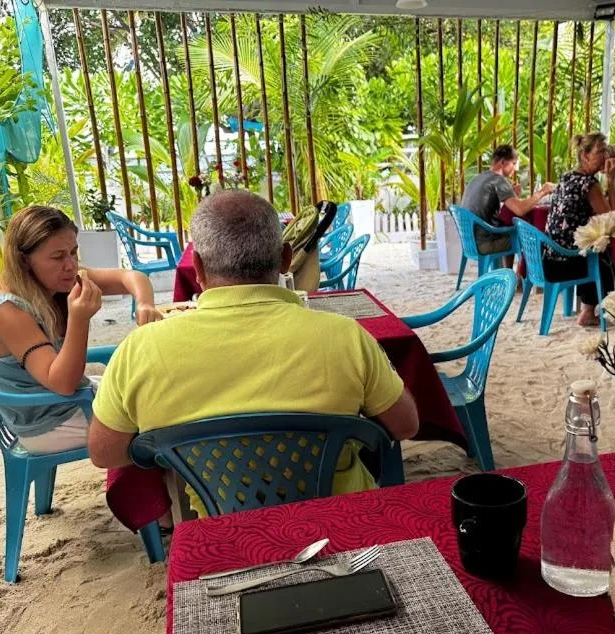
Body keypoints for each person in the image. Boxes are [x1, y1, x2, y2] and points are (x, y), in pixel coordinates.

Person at [88, 190, 420, 504]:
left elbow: (105, 453)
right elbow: (406, 426)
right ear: (285, 259)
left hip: (220, 526)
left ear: (198, 268)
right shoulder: (346, 337)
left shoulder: (139, 350)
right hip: (336, 519)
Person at [0, 205, 162, 454]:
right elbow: (63, 383)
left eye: (73, 252)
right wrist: (78, 319)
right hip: (49, 423)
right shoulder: (4, 310)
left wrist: (144, 302)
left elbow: (131, 276)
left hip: (72, 401)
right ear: (24, 261)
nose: (71, 265)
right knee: (164, 419)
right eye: (58, 257)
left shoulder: (58, 281)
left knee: (160, 388)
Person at [546, 132, 615, 327]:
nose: (605, 156)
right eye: (600, 151)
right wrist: (611, 181)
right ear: (585, 155)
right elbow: (612, 219)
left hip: (548, 257)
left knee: (596, 245)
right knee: (605, 252)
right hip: (565, 262)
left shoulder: (567, 176)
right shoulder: (589, 183)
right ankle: (588, 312)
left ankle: (588, 307)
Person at [461, 144, 554, 258]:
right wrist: (542, 192)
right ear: (503, 163)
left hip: (470, 242)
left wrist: (512, 194)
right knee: (530, 239)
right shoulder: (498, 180)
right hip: (485, 243)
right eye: (514, 164)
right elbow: (520, 210)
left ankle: (508, 272)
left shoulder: (479, 177)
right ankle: (528, 275)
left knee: (510, 228)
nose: (515, 169)